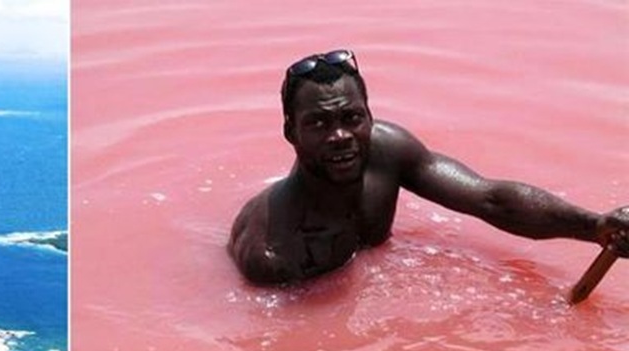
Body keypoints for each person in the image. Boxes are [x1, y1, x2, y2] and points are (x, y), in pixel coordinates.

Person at [228, 49, 629, 285]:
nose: (340, 136)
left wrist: (594, 227)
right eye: (318, 123)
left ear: (369, 116)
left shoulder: (386, 149)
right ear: (289, 132)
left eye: (352, 118)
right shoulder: (272, 251)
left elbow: (490, 199)